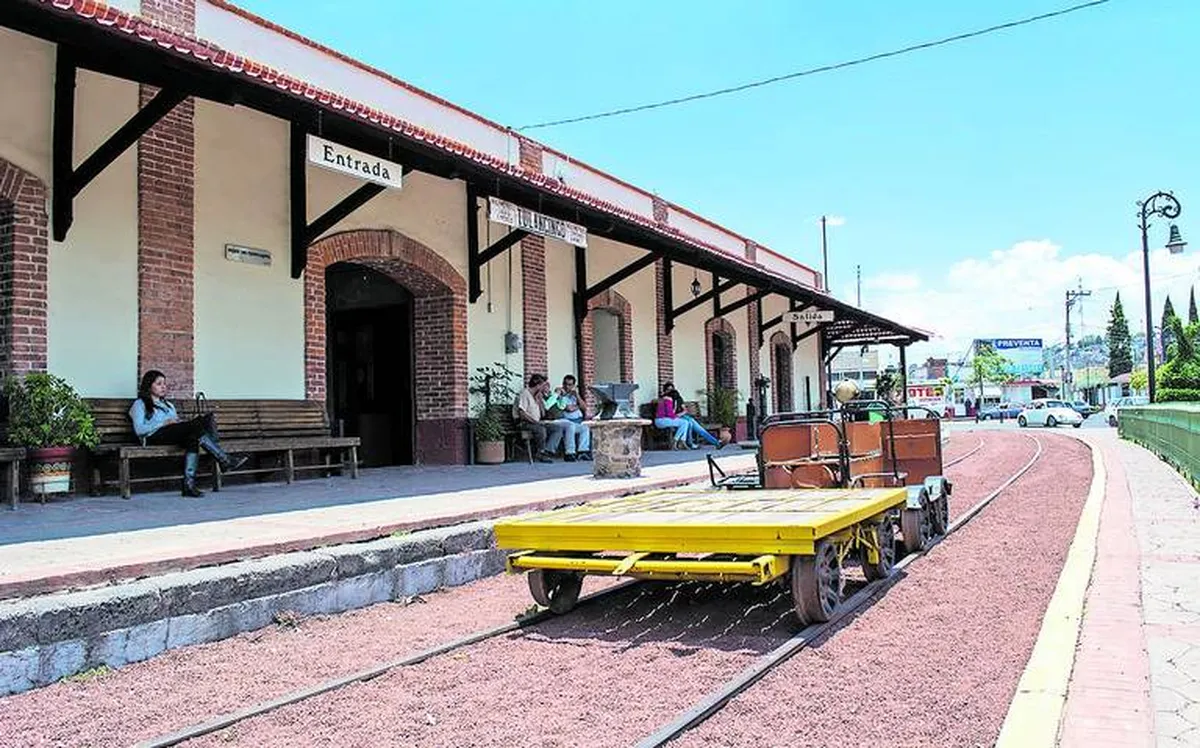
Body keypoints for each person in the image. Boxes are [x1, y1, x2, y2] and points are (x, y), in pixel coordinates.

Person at [129, 370, 248, 497]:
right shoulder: (140, 404)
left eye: (164, 383)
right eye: (159, 384)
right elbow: (139, 429)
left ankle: (189, 486)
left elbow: (176, 426)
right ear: (149, 386)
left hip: (170, 435)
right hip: (153, 437)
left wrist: (177, 423)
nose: (163, 386)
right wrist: (163, 423)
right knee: (195, 426)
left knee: (193, 437)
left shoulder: (169, 405)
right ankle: (224, 459)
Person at [514, 374, 571, 463]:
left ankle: (547, 451)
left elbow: (543, 413)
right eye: (542, 385)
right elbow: (522, 413)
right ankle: (541, 452)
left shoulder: (536, 396)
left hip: (537, 421)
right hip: (524, 422)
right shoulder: (525, 394)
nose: (544, 388)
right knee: (541, 429)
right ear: (538, 385)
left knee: (557, 428)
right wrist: (534, 422)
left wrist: (540, 402)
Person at [655, 382, 723, 450]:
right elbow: (667, 412)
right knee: (687, 423)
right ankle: (689, 443)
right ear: (665, 390)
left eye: (671, 389)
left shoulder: (677, 398)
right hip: (672, 418)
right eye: (668, 389)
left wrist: (679, 412)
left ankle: (714, 442)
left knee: (694, 424)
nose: (670, 391)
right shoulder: (665, 399)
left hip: (680, 416)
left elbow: (684, 410)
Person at [551, 375, 592, 461]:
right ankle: (570, 453)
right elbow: (569, 409)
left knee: (585, 428)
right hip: (565, 420)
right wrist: (578, 406)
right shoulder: (559, 393)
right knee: (571, 426)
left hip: (578, 420)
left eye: (570, 385)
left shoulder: (574, 395)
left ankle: (583, 451)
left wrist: (577, 396)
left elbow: (584, 407)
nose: (567, 387)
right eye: (565, 384)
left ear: (573, 386)